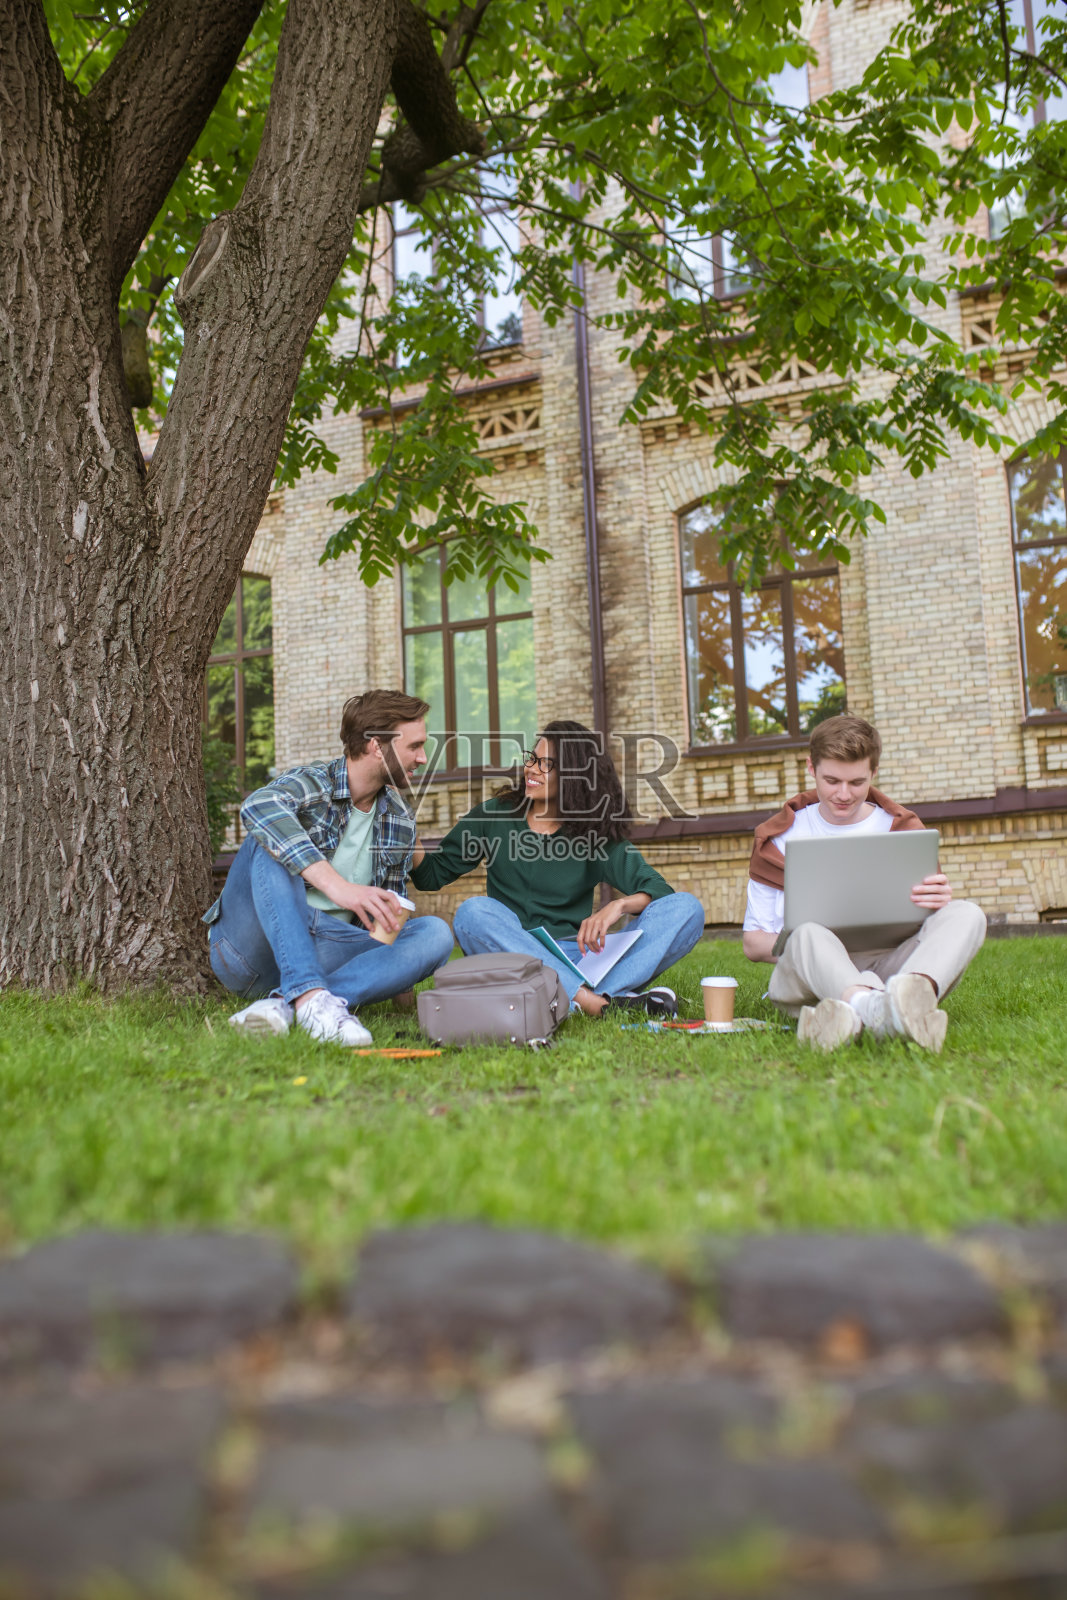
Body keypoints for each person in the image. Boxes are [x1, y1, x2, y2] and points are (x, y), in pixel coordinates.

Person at [204, 690, 454, 1046]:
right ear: (375, 745)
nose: (423, 757)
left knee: (435, 934)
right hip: (250, 948)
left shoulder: (400, 821)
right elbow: (260, 805)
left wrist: (401, 989)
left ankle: (289, 1004)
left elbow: (388, 917)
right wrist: (338, 887)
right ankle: (308, 995)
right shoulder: (314, 784)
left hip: (329, 951)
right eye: (414, 746)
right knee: (270, 840)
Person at [410, 720, 705, 1017]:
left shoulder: (593, 833)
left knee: (686, 908)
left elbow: (660, 892)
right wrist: (405, 827)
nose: (532, 769)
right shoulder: (494, 816)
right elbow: (430, 875)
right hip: (515, 955)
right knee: (473, 912)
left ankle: (574, 997)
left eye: (546, 764)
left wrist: (619, 905)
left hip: (582, 958)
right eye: (532, 759)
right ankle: (596, 1001)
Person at [742, 714, 986, 1052]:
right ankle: (888, 1013)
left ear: (873, 773)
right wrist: (824, 953)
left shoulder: (900, 829)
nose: (843, 794)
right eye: (831, 780)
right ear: (811, 769)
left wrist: (936, 904)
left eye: (857, 782)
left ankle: (877, 1009)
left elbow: (930, 929)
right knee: (809, 931)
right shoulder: (779, 838)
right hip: (807, 975)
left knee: (966, 913)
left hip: (891, 966)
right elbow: (753, 944)